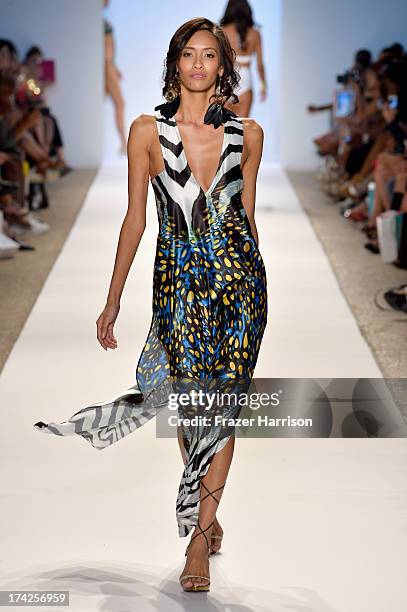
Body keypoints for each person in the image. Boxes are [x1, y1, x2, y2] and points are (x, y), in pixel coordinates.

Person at [33, 16, 268, 593]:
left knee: (223, 412)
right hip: (178, 286)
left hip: (240, 287)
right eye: (188, 54)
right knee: (191, 411)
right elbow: (136, 218)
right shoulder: (146, 131)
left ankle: (198, 539)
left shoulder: (249, 135)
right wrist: (111, 300)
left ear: (222, 66)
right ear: (174, 63)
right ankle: (202, 508)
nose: (197, 64)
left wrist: (260, 285)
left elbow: (248, 218)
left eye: (208, 55)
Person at [220, 0, 267, 117]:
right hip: (246, 80)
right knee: (243, 128)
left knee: (223, 128)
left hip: (227, 79)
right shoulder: (255, 34)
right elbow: (260, 65)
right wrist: (264, 86)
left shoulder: (223, 31)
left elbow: (217, 61)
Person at [103, 0, 127, 155]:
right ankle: (123, 143)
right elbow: (107, 48)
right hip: (105, 66)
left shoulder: (102, 22)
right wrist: (110, 65)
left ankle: (123, 143)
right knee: (119, 103)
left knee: (117, 104)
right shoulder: (100, 23)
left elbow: (109, 47)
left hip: (108, 65)